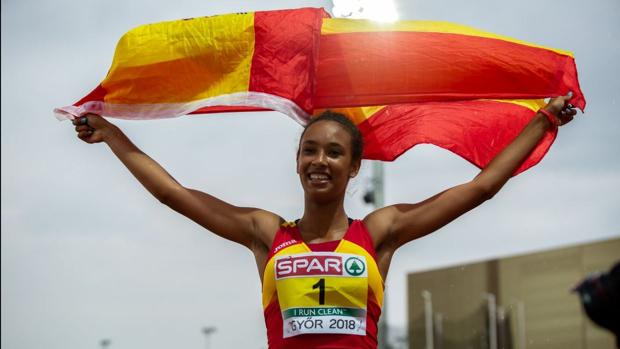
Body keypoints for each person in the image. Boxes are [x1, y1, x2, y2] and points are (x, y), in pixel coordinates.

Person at [72, 95, 576, 349]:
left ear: (354, 167)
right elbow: (172, 193)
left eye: (335, 153)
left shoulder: (379, 233)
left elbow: (479, 187)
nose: (320, 160)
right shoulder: (265, 234)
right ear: (296, 161)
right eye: (309, 150)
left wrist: (542, 120)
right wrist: (113, 136)